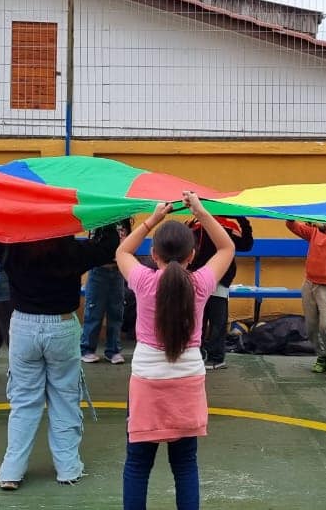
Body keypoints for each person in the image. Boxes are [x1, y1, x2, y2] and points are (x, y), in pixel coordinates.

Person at [0, 225, 121, 490]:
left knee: (23, 401)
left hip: (23, 326)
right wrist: (104, 218)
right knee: (65, 398)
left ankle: (11, 470)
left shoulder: (11, 248)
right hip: (62, 327)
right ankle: (68, 468)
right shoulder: (74, 251)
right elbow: (109, 245)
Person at [117, 192, 235, 510]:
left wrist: (152, 219)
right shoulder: (200, 284)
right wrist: (200, 211)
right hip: (188, 379)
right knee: (185, 466)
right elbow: (227, 247)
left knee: (138, 465)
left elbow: (122, 251)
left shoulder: (142, 280)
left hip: (146, 380)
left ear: (153, 254)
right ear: (192, 255)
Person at [188, 216, 252, 370]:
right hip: (197, 281)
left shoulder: (228, 226)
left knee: (217, 321)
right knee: (198, 320)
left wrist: (242, 219)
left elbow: (246, 244)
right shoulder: (193, 225)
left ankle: (216, 357)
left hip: (219, 281)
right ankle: (197, 353)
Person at [285, 219, 326, 374]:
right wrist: (290, 218)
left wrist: (322, 226)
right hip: (310, 283)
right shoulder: (313, 231)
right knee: (311, 327)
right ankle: (322, 356)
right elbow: (294, 227)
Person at [81, 219, 133, 365]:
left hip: (117, 271)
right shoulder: (100, 221)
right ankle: (87, 349)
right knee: (93, 311)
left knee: (116, 312)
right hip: (99, 270)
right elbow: (93, 243)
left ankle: (113, 350)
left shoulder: (124, 223)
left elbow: (129, 244)